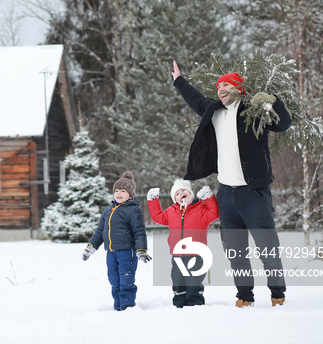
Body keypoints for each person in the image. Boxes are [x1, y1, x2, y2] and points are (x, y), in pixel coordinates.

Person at [171, 60, 291, 307]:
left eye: (226, 84)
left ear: (239, 88)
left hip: (254, 193)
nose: (220, 89)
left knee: (267, 249)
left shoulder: (253, 110)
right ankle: (244, 296)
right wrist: (178, 81)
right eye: (218, 86)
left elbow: (283, 123)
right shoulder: (213, 111)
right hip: (226, 194)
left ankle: (277, 293)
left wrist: (272, 100)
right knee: (236, 253)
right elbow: (194, 99)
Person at [82, 171, 151, 311]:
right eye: (116, 191)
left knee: (126, 279)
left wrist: (141, 250)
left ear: (130, 195)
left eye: (123, 191)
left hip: (127, 252)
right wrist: (91, 247)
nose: (118, 194)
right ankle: (118, 306)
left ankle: (127, 306)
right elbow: (99, 232)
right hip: (111, 253)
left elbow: (139, 232)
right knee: (114, 280)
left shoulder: (133, 210)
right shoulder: (108, 211)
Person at [147, 179, 219, 308]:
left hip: (197, 254)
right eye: (177, 193)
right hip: (178, 255)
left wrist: (208, 198)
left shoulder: (201, 209)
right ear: (175, 199)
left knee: (193, 281)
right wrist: (153, 201)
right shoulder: (171, 212)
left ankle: (194, 303)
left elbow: (214, 213)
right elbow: (157, 217)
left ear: (190, 193)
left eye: (183, 190)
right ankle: (179, 303)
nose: (181, 193)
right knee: (178, 280)